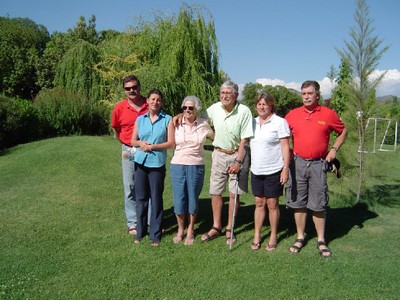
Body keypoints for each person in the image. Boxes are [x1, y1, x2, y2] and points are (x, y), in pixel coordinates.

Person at [285, 80, 347, 257]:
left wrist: (334, 150)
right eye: (303, 93)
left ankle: (321, 240)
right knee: (298, 203)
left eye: (310, 93)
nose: (306, 96)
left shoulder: (328, 114)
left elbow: (343, 131)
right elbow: (281, 135)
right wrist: (287, 152)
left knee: (318, 204)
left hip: (319, 164)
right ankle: (300, 237)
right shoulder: (292, 115)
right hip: (297, 163)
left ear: (317, 95)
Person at [199, 81, 253, 245]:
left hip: (238, 153)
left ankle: (230, 227)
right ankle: (216, 226)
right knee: (215, 192)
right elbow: (198, 119)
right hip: (219, 154)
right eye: (222, 93)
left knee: (233, 194)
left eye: (228, 93)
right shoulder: (214, 108)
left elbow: (245, 139)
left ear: (236, 95)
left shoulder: (244, 111)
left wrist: (238, 161)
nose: (225, 96)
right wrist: (210, 134)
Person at [131, 89, 174, 247]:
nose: (155, 102)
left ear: (161, 103)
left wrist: (154, 146)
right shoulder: (140, 119)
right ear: (147, 101)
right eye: (153, 99)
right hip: (140, 162)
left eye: (158, 100)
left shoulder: (167, 119)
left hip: (157, 164)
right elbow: (133, 140)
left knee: (155, 198)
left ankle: (155, 234)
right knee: (141, 198)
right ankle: (140, 232)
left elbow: (171, 143)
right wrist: (141, 143)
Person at [170, 96, 214, 246]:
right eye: (185, 108)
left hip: (196, 165)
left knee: (192, 199)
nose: (187, 110)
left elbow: (217, 139)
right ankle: (180, 230)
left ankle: (190, 230)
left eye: (191, 108)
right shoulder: (175, 123)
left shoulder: (204, 124)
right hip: (177, 165)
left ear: (197, 110)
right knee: (179, 199)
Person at [250, 92, 291, 251]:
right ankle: (257, 234)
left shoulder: (280, 122)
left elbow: (285, 147)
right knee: (259, 203)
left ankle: (273, 235)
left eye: (265, 104)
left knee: (272, 204)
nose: (261, 107)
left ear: (271, 106)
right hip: (256, 169)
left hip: (274, 169)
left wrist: (285, 169)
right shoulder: (252, 122)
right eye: (259, 104)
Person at [111, 75, 148, 235]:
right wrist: (126, 142)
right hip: (129, 150)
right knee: (130, 186)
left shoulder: (151, 103)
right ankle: (133, 222)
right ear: (124, 90)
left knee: (149, 185)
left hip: (148, 149)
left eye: (134, 87)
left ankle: (150, 220)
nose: (132, 90)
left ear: (139, 87)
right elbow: (116, 128)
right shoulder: (119, 108)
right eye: (128, 88)